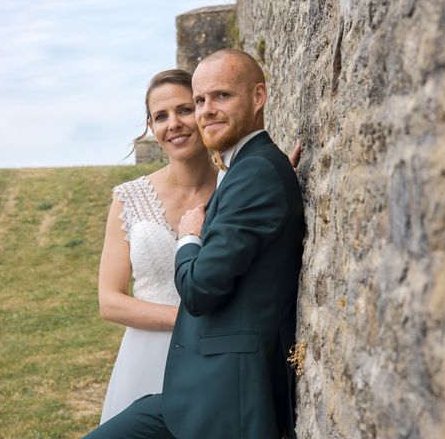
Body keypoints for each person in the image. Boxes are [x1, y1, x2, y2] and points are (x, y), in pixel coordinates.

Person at [92, 51, 304, 437]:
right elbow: (109, 299)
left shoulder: (244, 176)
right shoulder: (131, 196)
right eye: (160, 116)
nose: (178, 123)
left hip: (218, 374)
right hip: (158, 353)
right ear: (150, 126)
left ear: (257, 97)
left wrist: (274, 179)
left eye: (188, 108)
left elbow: (241, 242)